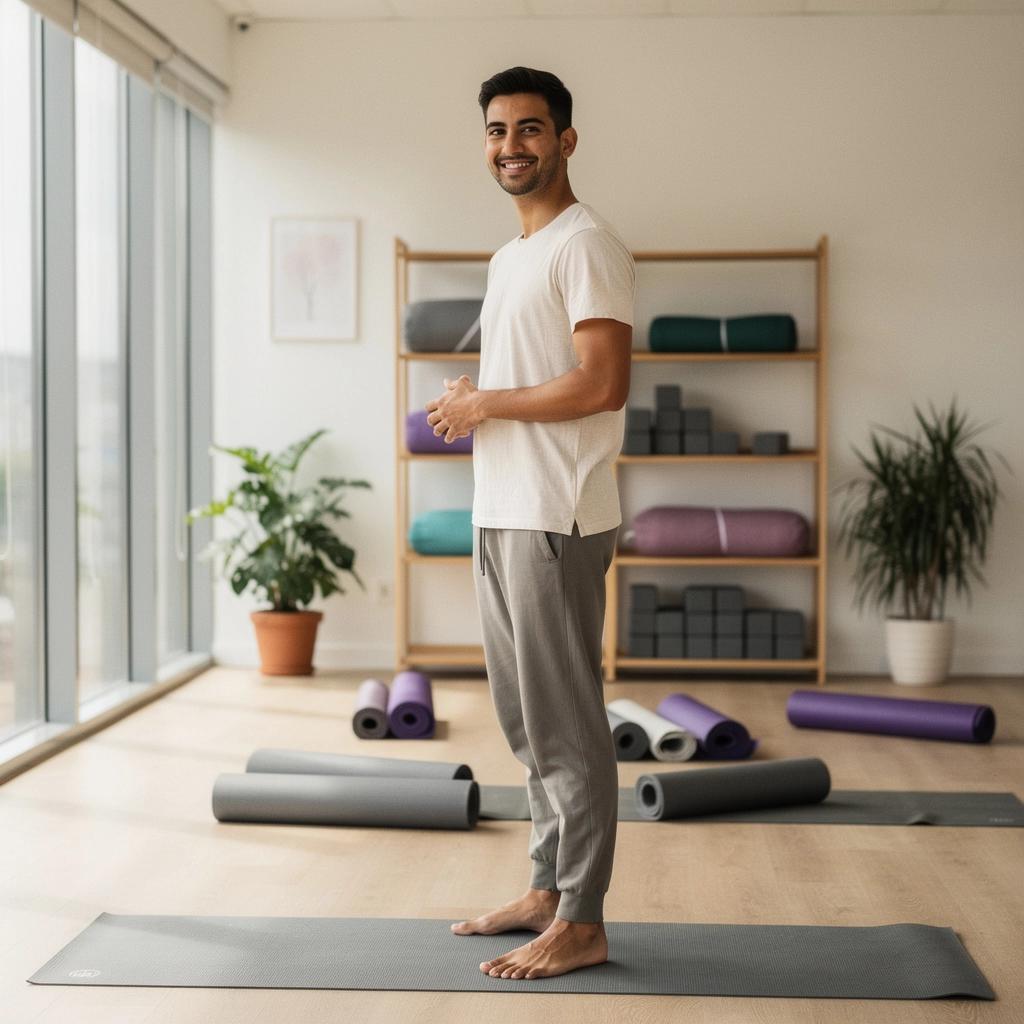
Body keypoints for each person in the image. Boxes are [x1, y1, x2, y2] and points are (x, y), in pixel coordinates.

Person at [424, 66, 635, 981]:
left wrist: (487, 406)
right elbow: (536, 373)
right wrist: (476, 400)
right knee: (525, 721)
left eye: (530, 129)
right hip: (502, 509)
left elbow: (602, 383)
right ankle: (548, 888)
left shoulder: (586, 244)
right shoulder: (512, 255)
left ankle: (583, 919)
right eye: (497, 130)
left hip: (557, 514)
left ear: (566, 141)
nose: (511, 145)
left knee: (568, 724)